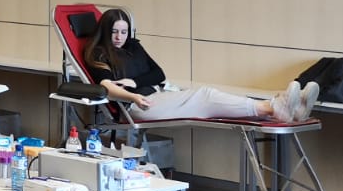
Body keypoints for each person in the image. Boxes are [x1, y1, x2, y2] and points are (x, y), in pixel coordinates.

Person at [86, 8, 317, 123]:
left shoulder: (133, 47)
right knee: (205, 97)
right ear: (106, 31)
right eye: (114, 32)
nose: (119, 37)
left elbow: (158, 74)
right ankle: (278, 107)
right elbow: (107, 87)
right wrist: (133, 96)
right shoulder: (98, 53)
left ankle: (286, 109)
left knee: (208, 98)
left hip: (156, 95)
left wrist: (134, 81)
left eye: (124, 32)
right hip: (137, 106)